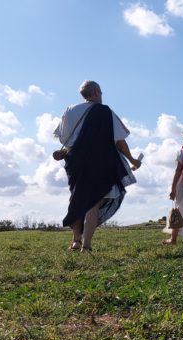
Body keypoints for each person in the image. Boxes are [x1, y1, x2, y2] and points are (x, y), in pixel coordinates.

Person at [54, 80, 141, 252]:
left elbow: (62, 137)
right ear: (95, 92)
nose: (101, 95)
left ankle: (76, 241)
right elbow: (119, 140)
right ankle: (86, 245)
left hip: (75, 162)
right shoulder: (104, 111)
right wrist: (132, 160)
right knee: (93, 202)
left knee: (77, 197)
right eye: (100, 92)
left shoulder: (69, 110)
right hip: (99, 160)